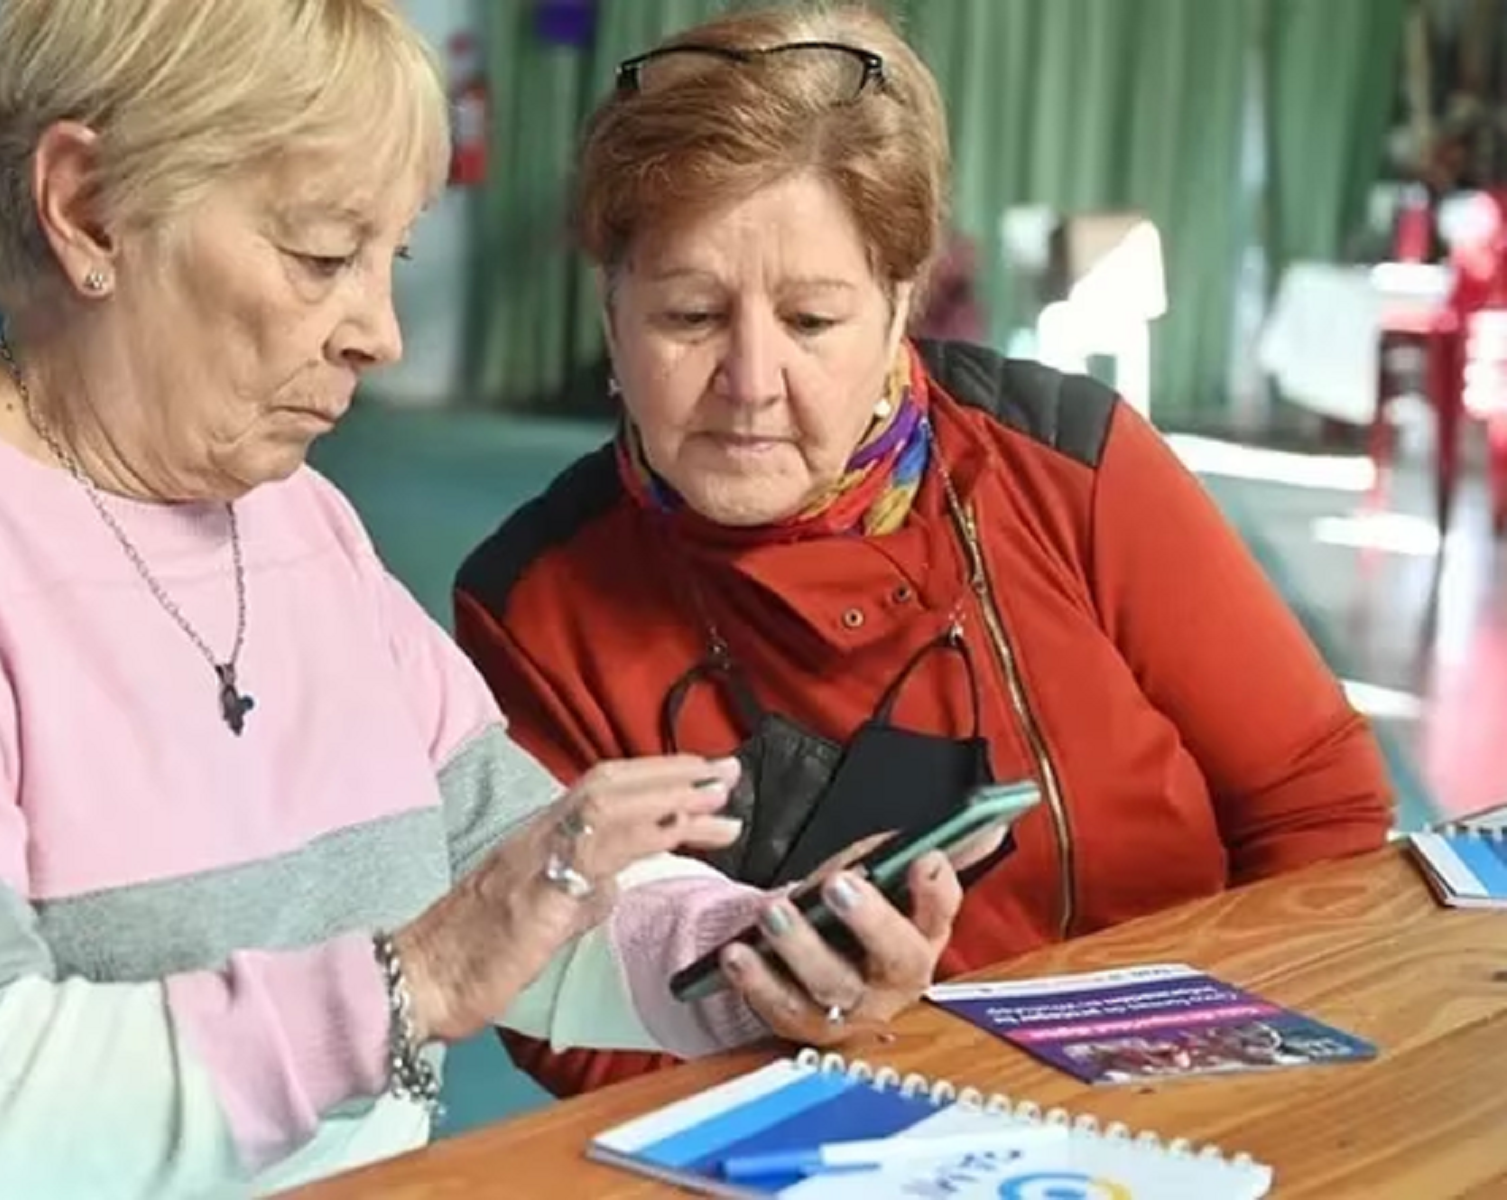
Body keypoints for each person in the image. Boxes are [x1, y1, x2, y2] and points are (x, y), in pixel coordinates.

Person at [0, 3, 986, 1195]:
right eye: (318, 254)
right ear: (88, 209)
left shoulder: (294, 524)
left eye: (384, 261)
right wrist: (405, 988)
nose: (376, 334)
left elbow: (507, 880)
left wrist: (745, 947)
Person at [452, 2, 1395, 1100]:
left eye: (811, 320)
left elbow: (1316, 811)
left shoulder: (1068, 464)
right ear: (610, 313)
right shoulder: (532, 607)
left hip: (1194, 1098)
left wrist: (1236, 1074)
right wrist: (786, 1038)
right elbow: (557, 1012)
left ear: (901, 305)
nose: (752, 381)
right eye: (691, 315)